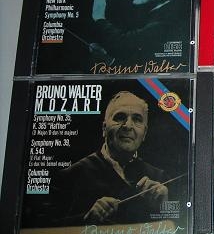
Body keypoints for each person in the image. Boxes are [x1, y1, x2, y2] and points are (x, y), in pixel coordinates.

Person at [50, 91, 168, 225]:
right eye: (120, 117)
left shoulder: (159, 178)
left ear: (144, 133)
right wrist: (85, 221)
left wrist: (163, 207)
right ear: (104, 128)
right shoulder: (70, 177)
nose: (128, 126)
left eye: (137, 119)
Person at [89, 0, 186, 67]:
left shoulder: (164, 22)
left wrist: (99, 16)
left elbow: (122, 42)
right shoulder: (157, 14)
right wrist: (107, 58)